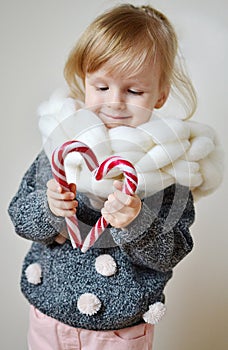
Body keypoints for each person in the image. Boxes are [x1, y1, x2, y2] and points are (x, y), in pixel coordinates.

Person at [8, 4, 223, 350]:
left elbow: (172, 251)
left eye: (134, 91)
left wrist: (137, 222)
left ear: (161, 94)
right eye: (102, 87)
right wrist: (49, 208)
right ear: (85, 83)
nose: (116, 102)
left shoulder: (169, 170)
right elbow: (20, 216)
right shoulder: (61, 149)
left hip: (117, 331)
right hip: (49, 315)